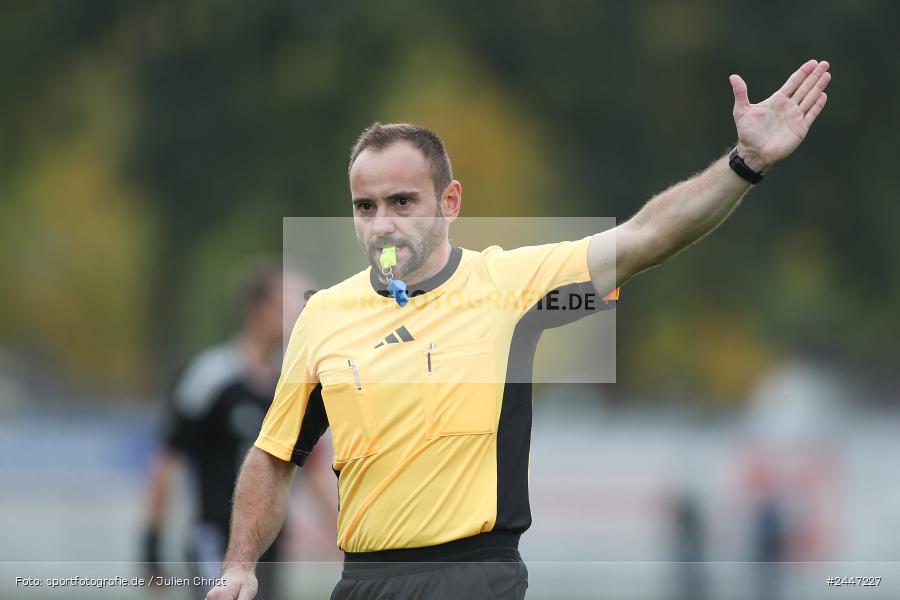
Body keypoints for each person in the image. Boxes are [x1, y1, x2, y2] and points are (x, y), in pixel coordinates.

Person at [207, 59, 831, 600]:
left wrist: (743, 163)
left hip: (473, 579)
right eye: (365, 208)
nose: (382, 225)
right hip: (365, 581)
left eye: (402, 202)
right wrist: (240, 566)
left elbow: (645, 239)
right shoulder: (324, 316)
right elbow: (273, 455)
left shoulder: (510, 285)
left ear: (449, 203)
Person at [142, 261, 333, 600]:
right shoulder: (210, 377)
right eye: (295, 305)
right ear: (259, 310)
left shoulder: (290, 384)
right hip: (214, 539)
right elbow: (167, 461)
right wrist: (151, 544)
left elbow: (313, 466)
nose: (307, 314)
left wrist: (347, 536)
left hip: (271, 547)